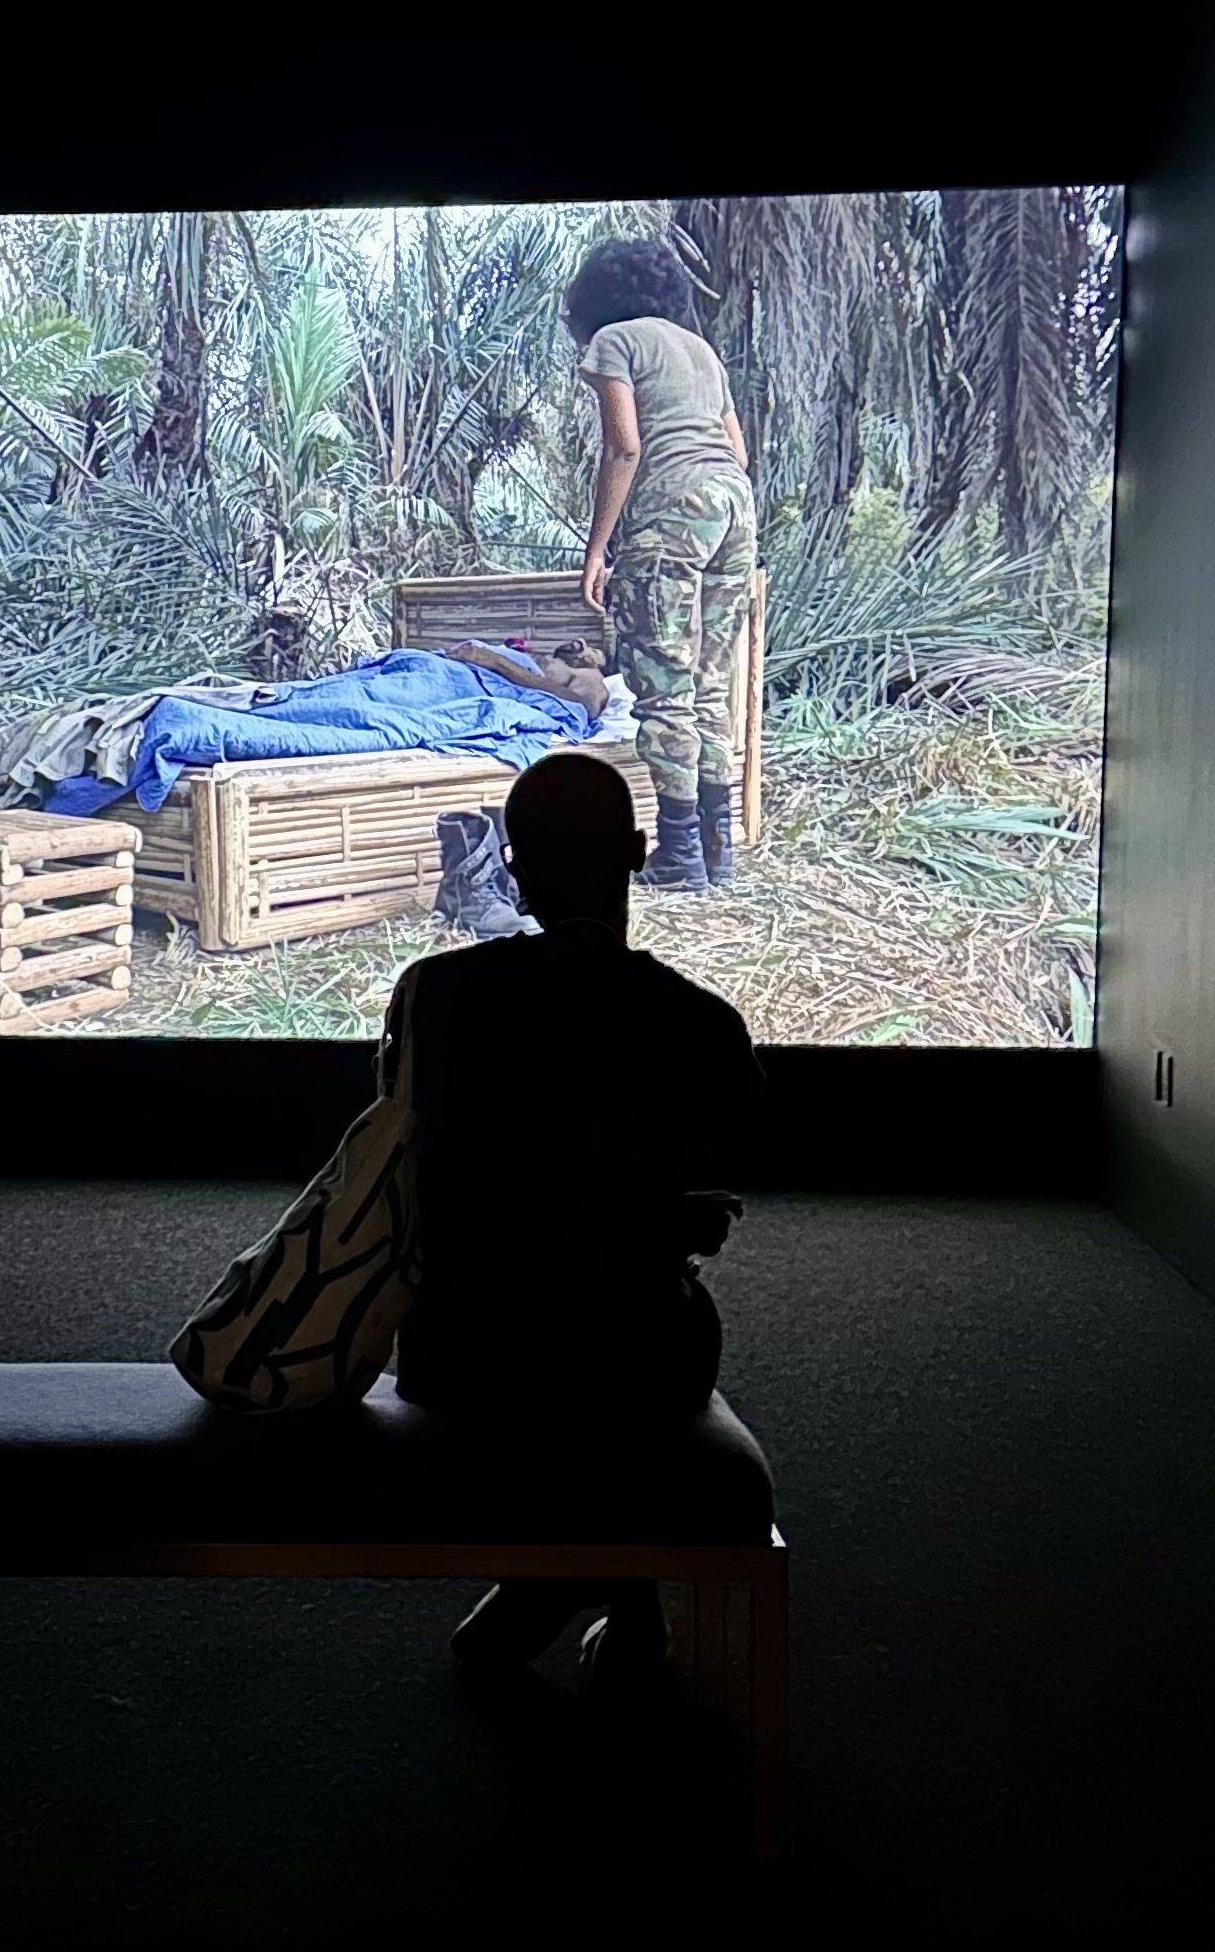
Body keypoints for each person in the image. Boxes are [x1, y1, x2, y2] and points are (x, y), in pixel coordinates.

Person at [382, 750, 762, 1695]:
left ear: (510, 864)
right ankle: (609, 1584)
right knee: (635, 1332)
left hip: (457, 1349)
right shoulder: (704, 1024)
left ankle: (577, 1582)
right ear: (639, 852)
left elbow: (396, 1167)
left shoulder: (434, 993)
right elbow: (707, 1213)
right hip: (635, 1355)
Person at [563, 237, 757, 893]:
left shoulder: (615, 340)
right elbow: (738, 451)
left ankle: (677, 857)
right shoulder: (699, 350)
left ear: (592, 298)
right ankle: (715, 851)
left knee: (665, 683)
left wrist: (598, 548)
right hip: (736, 507)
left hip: (673, 510)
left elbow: (624, 449)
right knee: (708, 683)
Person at [446, 636, 610, 722]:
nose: (580, 642)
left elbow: (588, 707)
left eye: (593, 651)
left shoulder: (592, 676)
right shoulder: (556, 663)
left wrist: (499, 662)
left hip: (478, 682)